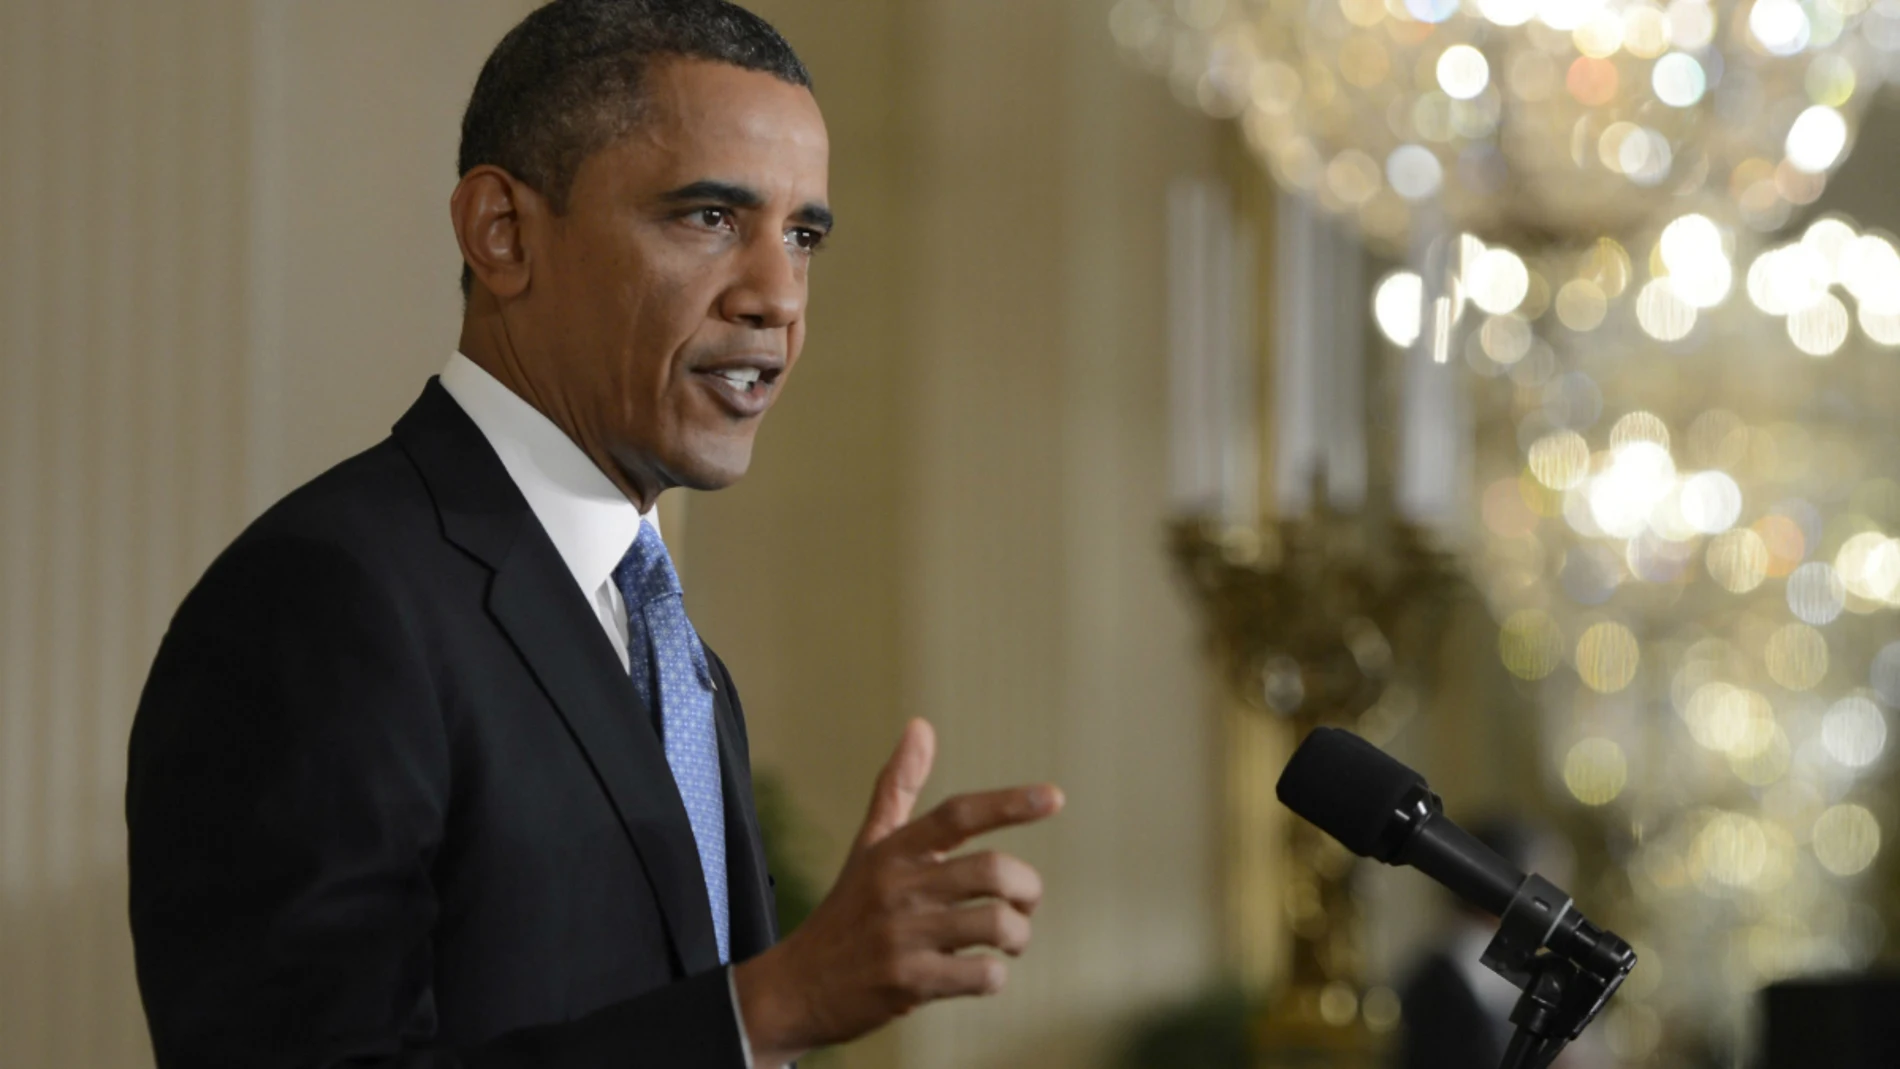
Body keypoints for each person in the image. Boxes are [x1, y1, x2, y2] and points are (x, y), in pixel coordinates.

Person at [124, 2, 1064, 1066]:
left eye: (802, 237)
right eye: (710, 217)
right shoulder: (320, 603)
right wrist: (774, 1004)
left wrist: (771, 1021)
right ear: (503, 232)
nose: (777, 297)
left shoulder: (667, 645)